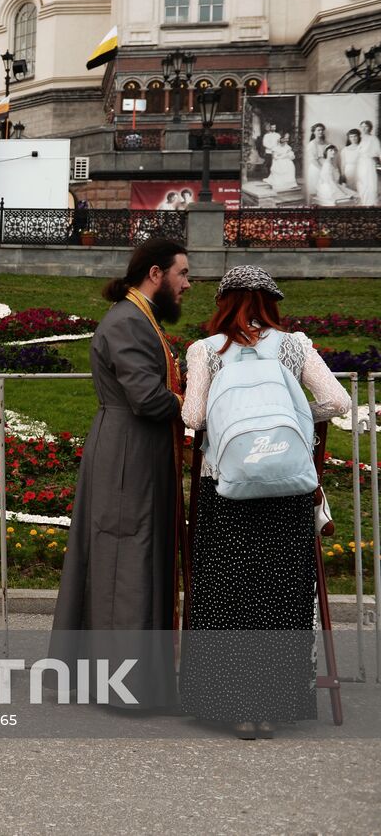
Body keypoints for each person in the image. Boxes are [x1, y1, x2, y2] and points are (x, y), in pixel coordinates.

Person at [178, 266, 351, 739]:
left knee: (230, 594)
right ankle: (274, 705)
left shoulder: (206, 351)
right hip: (287, 486)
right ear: (271, 303)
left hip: (228, 487)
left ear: (222, 304)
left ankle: (234, 706)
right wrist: (295, 418)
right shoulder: (295, 346)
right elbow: (337, 402)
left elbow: (194, 416)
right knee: (280, 595)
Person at [50, 239, 192, 711]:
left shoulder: (138, 315)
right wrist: (197, 407)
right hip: (128, 454)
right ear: (156, 273)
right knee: (124, 560)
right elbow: (148, 399)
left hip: (135, 449)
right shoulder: (129, 321)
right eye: (183, 274)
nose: (188, 285)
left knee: (131, 555)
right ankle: (121, 686)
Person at [358, 119, 381, 206]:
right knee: (362, 183)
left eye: (366, 126)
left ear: (370, 128)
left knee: (369, 182)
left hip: (369, 163)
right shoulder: (361, 139)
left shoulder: (373, 138)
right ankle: (364, 203)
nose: (364, 128)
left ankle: (370, 203)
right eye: (362, 127)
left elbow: (379, 152)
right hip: (361, 164)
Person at [305, 123, 329, 197]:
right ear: (314, 132)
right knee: (316, 188)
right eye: (318, 130)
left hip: (326, 166)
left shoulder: (327, 143)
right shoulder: (311, 144)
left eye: (322, 130)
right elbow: (312, 160)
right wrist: (322, 169)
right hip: (316, 168)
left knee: (326, 188)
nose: (320, 132)